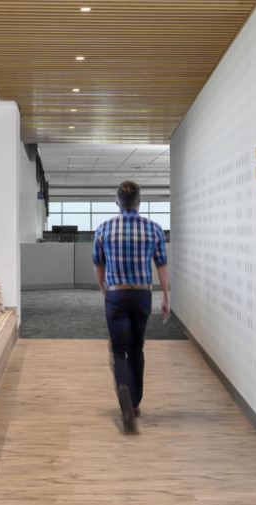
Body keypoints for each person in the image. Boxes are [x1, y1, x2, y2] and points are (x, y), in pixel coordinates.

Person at [92, 180, 169, 434]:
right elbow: (161, 266)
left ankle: (123, 388)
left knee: (118, 350)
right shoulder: (154, 229)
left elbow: (99, 265)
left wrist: (104, 289)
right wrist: (166, 297)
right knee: (137, 348)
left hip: (116, 295)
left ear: (117, 202)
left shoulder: (104, 229)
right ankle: (135, 403)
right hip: (142, 296)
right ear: (139, 202)